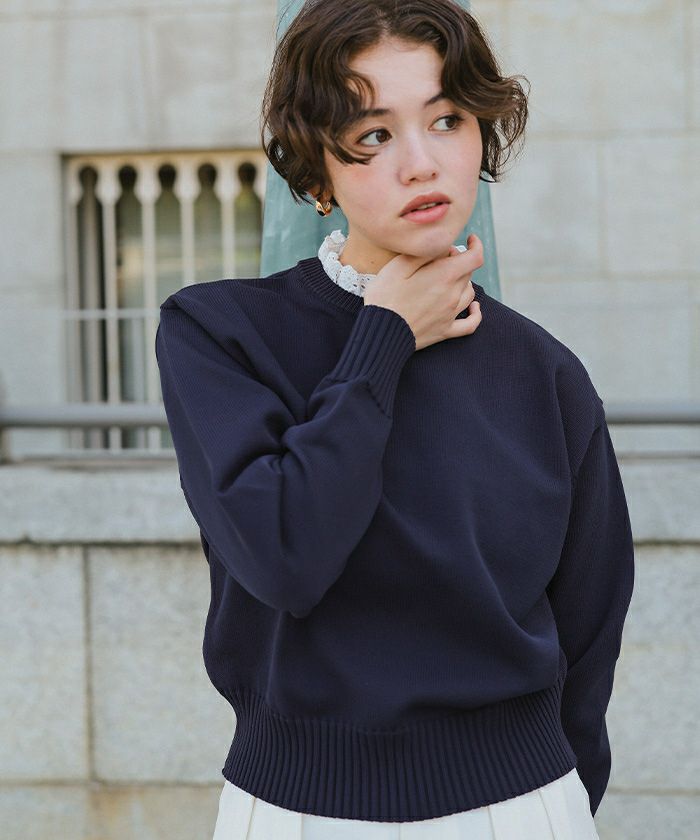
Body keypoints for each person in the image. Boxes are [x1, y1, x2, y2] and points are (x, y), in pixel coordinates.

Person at [154, 1, 635, 837]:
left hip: (521, 808)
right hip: (298, 812)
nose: (422, 163)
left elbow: (590, 634)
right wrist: (384, 337)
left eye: (447, 120)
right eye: (373, 134)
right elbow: (285, 554)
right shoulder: (220, 334)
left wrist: (553, 805)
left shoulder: (544, 372)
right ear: (317, 174)